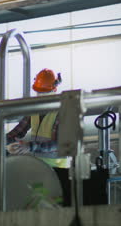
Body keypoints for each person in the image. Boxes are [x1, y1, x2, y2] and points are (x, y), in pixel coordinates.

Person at [6, 68, 72, 207]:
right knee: (38, 206)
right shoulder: (34, 110)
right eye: (38, 92)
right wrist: (2, 141)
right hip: (37, 168)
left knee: (55, 208)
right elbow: (18, 131)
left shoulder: (62, 111)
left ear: (54, 90)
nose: (40, 96)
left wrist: (30, 146)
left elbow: (60, 144)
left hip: (57, 171)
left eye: (44, 92)